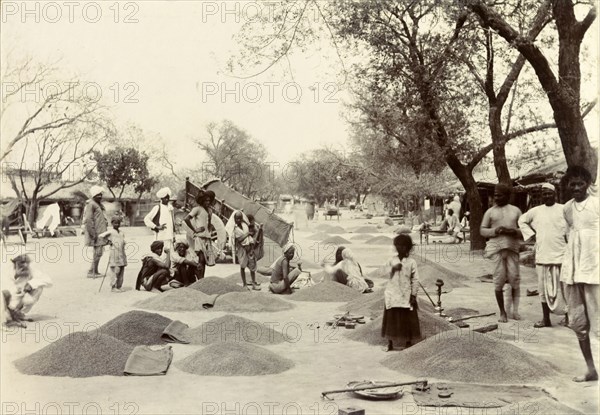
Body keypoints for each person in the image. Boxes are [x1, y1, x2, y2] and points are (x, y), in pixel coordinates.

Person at [560, 166, 599, 382]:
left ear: (588, 184)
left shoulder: (597, 204)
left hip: (595, 270)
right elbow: (570, 236)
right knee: (578, 322)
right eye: (572, 184)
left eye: (580, 183)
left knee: (599, 321)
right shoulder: (566, 209)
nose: (576, 188)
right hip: (573, 271)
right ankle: (591, 369)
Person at [518, 183, 568, 328]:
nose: (547, 196)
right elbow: (522, 220)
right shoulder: (536, 211)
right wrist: (532, 235)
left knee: (564, 289)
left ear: (555, 194)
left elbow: (573, 224)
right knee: (542, 290)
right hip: (542, 256)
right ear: (541, 196)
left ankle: (568, 318)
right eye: (544, 194)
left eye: (549, 193)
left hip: (561, 255)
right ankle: (546, 319)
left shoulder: (563, 209)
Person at [480, 183, 523, 323]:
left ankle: (515, 311)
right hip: (496, 250)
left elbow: (525, 231)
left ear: (507, 196)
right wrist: (495, 231)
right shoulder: (490, 212)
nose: (496, 198)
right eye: (495, 195)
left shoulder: (516, 211)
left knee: (514, 279)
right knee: (498, 281)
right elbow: (482, 230)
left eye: (500, 195)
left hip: (512, 248)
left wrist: (513, 231)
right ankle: (502, 312)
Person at [381, 234, 421, 351]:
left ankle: (408, 342)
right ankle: (390, 343)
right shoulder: (391, 260)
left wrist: (413, 294)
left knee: (407, 319)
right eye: (397, 245)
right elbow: (382, 273)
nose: (399, 248)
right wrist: (392, 269)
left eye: (402, 246)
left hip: (405, 294)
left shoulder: (411, 262)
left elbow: (415, 279)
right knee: (391, 319)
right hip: (392, 293)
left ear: (407, 247)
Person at [2, 255, 52, 328]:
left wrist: (31, 284)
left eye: (27, 262)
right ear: (14, 262)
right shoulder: (5, 271)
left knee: (39, 286)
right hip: (5, 303)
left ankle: (18, 314)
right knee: (4, 293)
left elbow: (48, 281)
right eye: (21, 262)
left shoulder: (30, 270)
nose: (25, 265)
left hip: (17, 303)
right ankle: (7, 318)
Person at [184, 191, 214, 280]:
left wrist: (209, 230)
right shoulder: (197, 209)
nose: (207, 202)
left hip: (207, 238)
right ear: (201, 201)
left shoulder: (210, 211)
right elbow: (186, 219)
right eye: (205, 201)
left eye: (209, 201)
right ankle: (200, 279)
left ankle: (202, 279)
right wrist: (195, 229)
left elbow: (209, 223)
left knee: (204, 260)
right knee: (200, 259)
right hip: (199, 238)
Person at [83, 186, 108, 278]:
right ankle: (91, 271)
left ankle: (95, 271)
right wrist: (93, 234)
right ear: (93, 195)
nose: (100, 196)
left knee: (98, 252)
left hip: (100, 232)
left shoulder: (97, 205)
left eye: (101, 194)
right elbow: (88, 220)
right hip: (96, 233)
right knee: (98, 252)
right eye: (98, 195)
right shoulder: (91, 204)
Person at [99, 217, 127, 293]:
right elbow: (101, 236)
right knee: (115, 270)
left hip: (121, 253)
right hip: (114, 253)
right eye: (115, 223)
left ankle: (119, 286)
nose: (117, 224)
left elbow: (123, 241)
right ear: (112, 223)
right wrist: (108, 242)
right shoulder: (110, 232)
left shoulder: (121, 232)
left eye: (118, 223)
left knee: (121, 269)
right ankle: (113, 286)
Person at [233, 211, 260, 290]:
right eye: (237, 218)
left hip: (249, 248)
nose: (238, 220)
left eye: (240, 218)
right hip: (242, 249)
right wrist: (247, 234)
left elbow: (252, 231)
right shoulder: (235, 229)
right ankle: (244, 284)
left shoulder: (245, 226)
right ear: (234, 219)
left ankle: (253, 283)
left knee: (252, 266)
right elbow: (240, 239)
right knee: (242, 266)